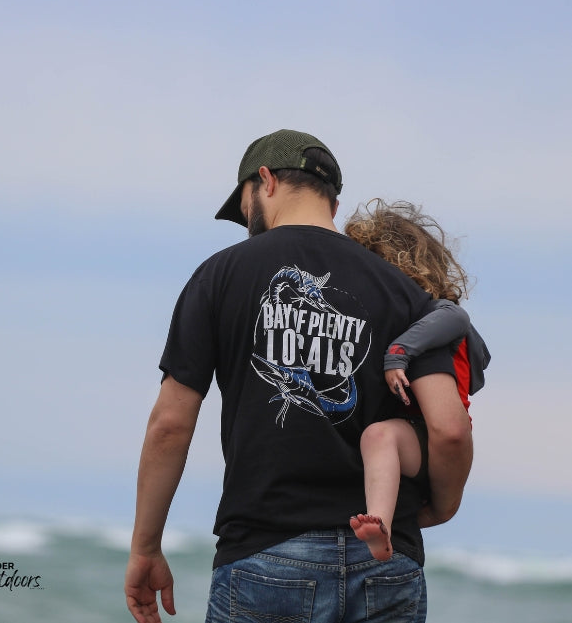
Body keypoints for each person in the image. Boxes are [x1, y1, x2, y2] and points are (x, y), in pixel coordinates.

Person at [124, 130, 473, 623]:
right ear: (331, 198)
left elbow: (170, 425)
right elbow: (450, 428)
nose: (247, 221)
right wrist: (442, 507)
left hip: (265, 554)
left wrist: (145, 547)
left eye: (244, 205)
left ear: (264, 181)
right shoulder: (406, 293)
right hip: (387, 563)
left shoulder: (219, 276)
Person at [344, 199, 490, 560]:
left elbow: (456, 318)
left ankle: (382, 525)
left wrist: (399, 352)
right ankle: (381, 528)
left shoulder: (439, 312)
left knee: (379, 436)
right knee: (380, 437)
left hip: (429, 436)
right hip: (417, 435)